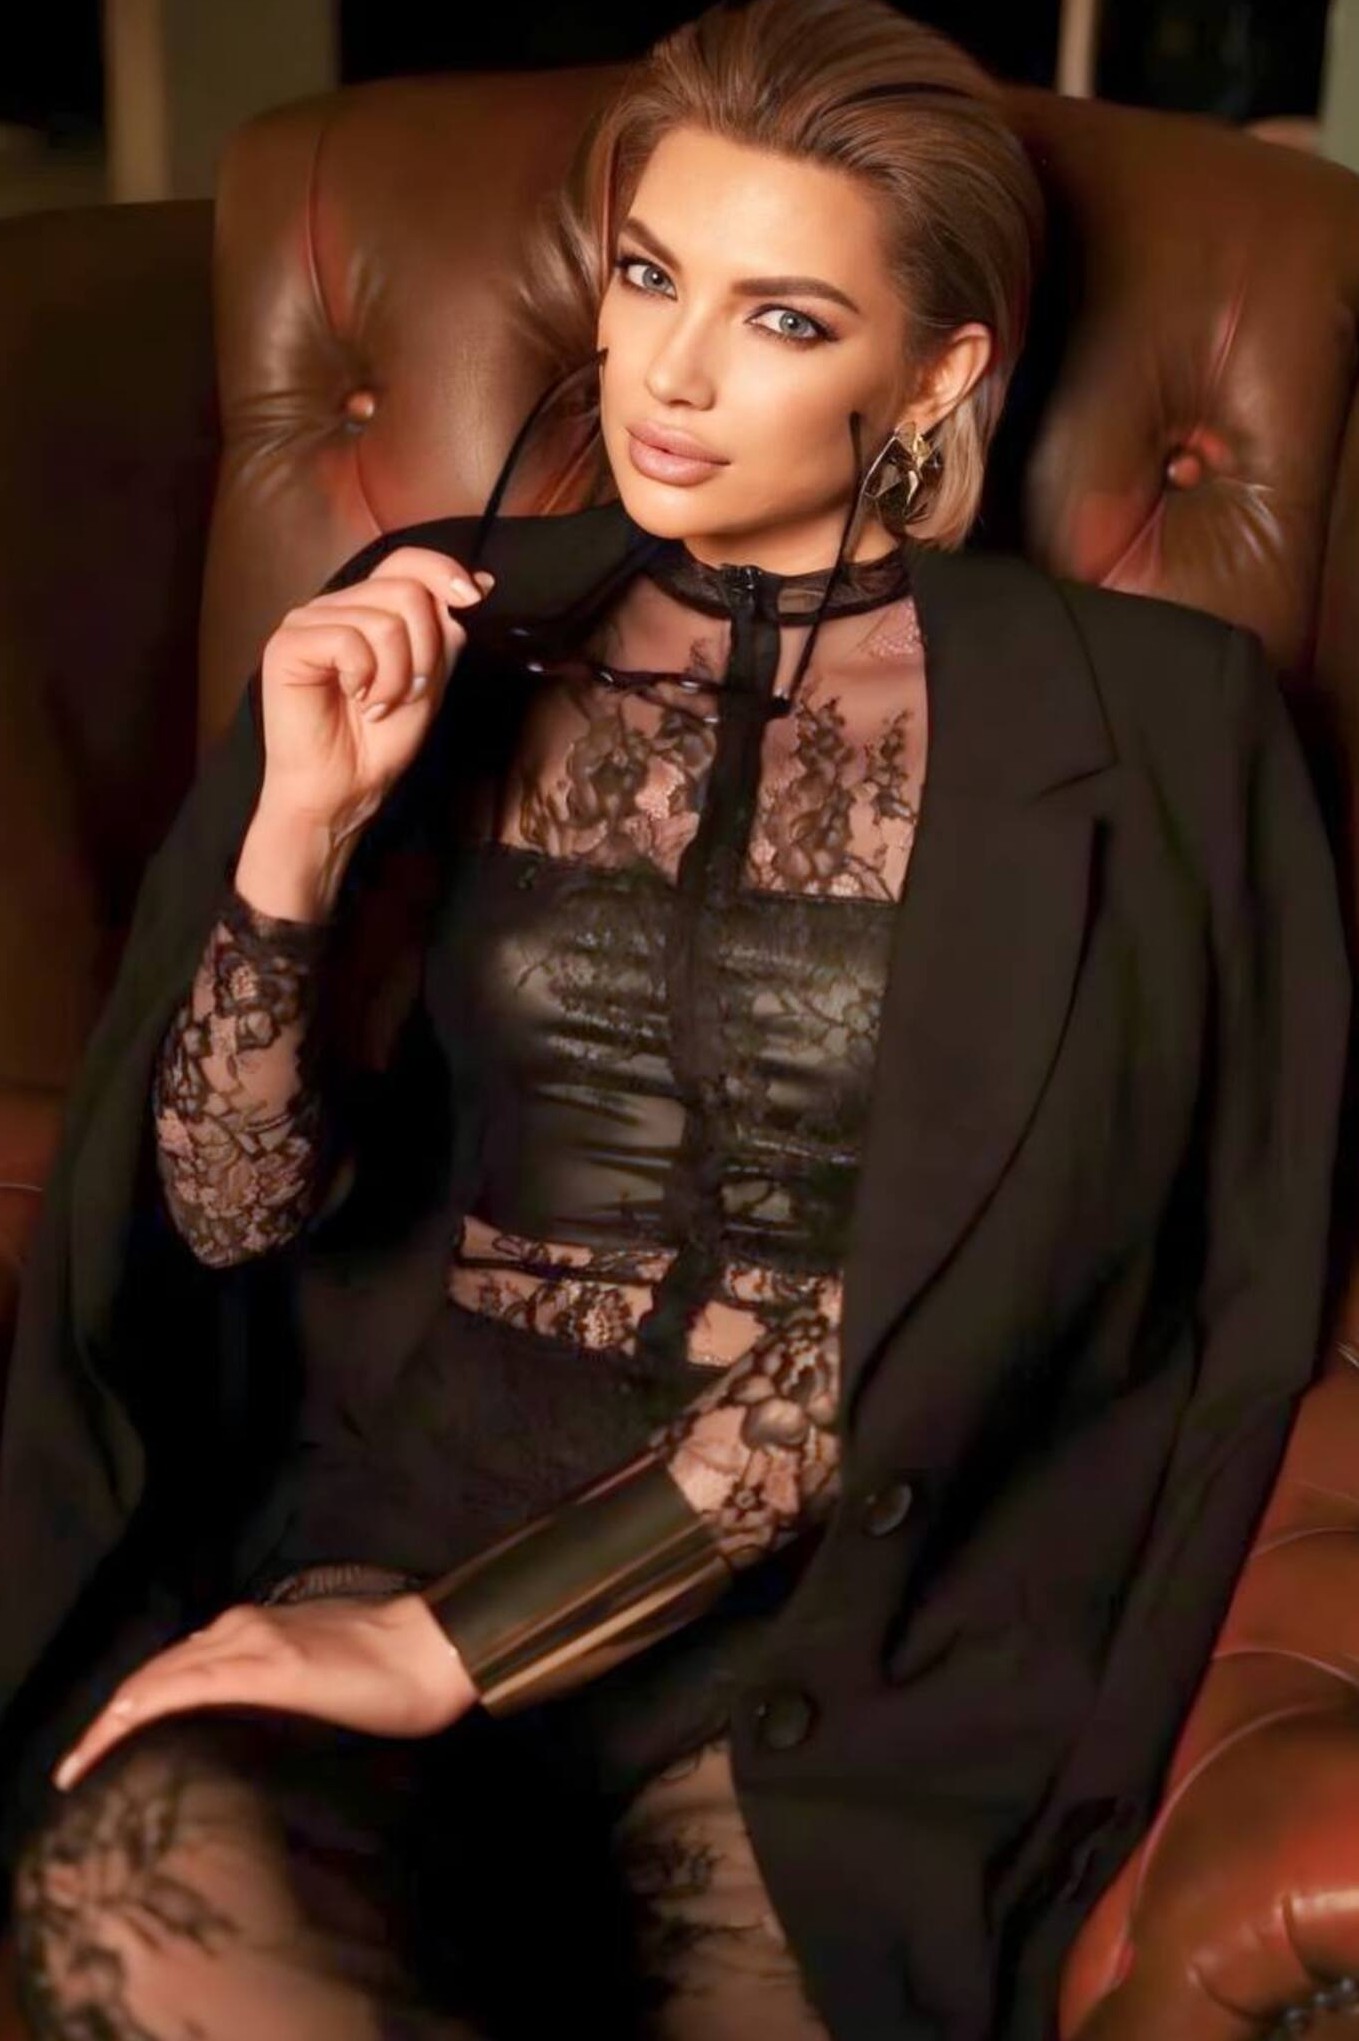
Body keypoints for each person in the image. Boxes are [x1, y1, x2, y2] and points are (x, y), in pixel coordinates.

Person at [0, 0, 1350, 2035]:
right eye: (648, 275)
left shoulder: (1156, 730)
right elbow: (224, 1213)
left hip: (833, 1632)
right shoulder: (429, 621)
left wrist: (455, 1648)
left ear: (937, 369)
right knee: (139, 1887)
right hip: (392, 1525)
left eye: (782, 317)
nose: (672, 370)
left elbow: (1008, 1286)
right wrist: (295, 838)